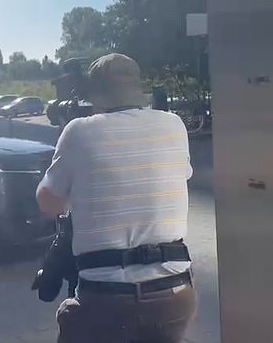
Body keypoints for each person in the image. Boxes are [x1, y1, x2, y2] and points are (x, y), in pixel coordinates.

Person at [36, 53, 197, 343]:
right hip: (175, 295)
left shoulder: (78, 131)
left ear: (95, 94)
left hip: (106, 301)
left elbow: (47, 201)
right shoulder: (174, 124)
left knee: (72, 318)